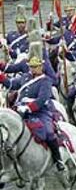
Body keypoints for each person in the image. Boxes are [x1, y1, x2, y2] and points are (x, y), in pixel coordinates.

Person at [0, 42, 67, 182]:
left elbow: (42, 99)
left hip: (40, 113)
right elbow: (11, 84)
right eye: (31, 67)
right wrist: (1, 77)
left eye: (35, 67)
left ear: (41, 66)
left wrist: (29, 107)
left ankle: (58, 160)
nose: (33, 69)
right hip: (21, 112)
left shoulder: (46, 81)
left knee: (49, 133)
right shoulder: (25, 77)